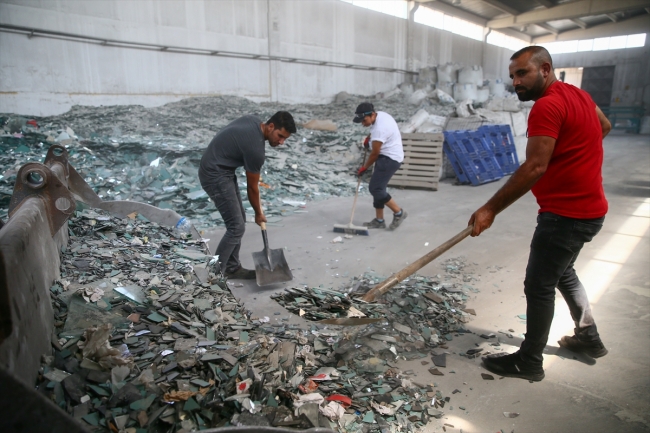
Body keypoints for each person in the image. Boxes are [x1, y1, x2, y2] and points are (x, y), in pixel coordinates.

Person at [468, 46, 611, 381]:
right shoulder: (578, 95)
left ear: (545, 69)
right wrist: (573, 153)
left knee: (539, 285)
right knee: (564, 273)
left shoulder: (547, 106)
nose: (515, 82)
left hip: (566, 216)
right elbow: (603, 126)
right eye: (513, 76)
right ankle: (588, 338)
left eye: (522, 74)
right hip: (591, 211)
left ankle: (529, 361)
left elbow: (534, 166)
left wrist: (490, 208)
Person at [199, 111, 296, 279]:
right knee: (236, 226)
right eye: (280, 136)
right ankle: (213, 275)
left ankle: (231, 267)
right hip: (215, 173)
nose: (281, 142)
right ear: (270, 126)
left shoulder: (253, 121)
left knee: (239, 221)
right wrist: (259, 213)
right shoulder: (256, 149)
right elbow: (252, 188)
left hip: (222, 168)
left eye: (285, 139)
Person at [353, 102, 407, 230]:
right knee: (378, 188)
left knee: (376, 189)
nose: (363, 123)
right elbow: (375, 140)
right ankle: (379, 220)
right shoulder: (380, 115)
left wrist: (364, 168)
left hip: (390, 158)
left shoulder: (379, 129)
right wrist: (369, 139)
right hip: (387, 155)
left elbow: (375, 153)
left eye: (364, 120)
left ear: (372, 115)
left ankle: (399, 213)